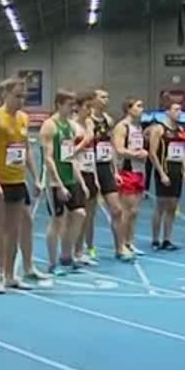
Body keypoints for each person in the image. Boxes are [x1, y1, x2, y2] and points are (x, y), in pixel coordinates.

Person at [0, 77, 35, 292]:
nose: (21, 100)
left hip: (18, 180)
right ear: (5, 94)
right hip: (0, 181)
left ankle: (10, 275)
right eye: (17, 96)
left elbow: (26, 150)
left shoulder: (24, 118)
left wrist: (35, 176)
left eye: (24, 97)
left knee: (14, 231)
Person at [38, 91, 89, 273]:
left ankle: (67, 255)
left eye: (74, 105)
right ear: (59, 104)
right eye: (69, 105)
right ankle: (52, 264)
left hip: (70, 177)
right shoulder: (49, 126)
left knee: (80, 213)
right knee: (57, 221)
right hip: (54, 181)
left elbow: (70, 157)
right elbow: (48, 158)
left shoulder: (69, 126)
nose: (72, 109)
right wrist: (59, 185)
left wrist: (81, 182)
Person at [109, 97, 149, 262]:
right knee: (126, 211)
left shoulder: (138, 127)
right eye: (138, 106)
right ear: (128, 108)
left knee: (134, 211)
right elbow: (118, 149)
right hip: (127, 171)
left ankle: (130, 242)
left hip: (139, 170)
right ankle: (122, 244)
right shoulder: (122, 127)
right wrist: (137, 154)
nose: (141, 109)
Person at [148, 100, 185, 251]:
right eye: (176, 109)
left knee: (172, 207)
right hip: (164, 170)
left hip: (176, 171)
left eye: (180, 110)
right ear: (168, 112)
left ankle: (167, 239)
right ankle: (155, 239)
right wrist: (161, 173)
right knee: (160, 206)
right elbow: (152, 153)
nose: (179, 112)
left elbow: (182, 151)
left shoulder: (180, 129)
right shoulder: (159, 129)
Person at [83, 89, 117, 264]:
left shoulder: (108, 120)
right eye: (102, 97)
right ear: (93, 100)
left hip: (105, 167)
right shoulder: (87, 120)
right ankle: (89, 246)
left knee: (117, 209)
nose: (106, 100)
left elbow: (111, 145)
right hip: (90, 166)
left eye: (107, 97)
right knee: (90, 213)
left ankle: (120, 247)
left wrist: (115, 170)